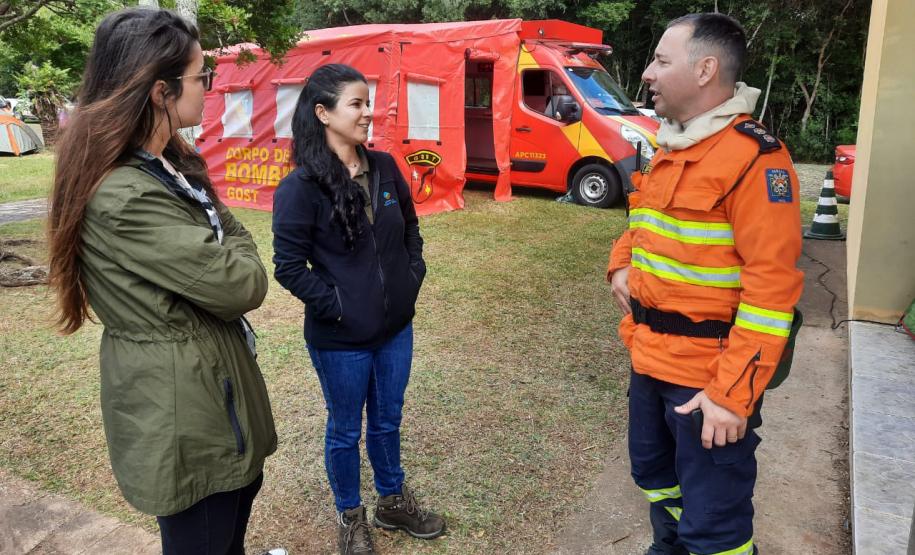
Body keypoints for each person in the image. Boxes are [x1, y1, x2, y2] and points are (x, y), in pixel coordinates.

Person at [47, 8, 283, 555]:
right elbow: (241, 284)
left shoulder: (164, 165)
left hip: (205, 391)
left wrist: (222, 230)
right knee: (205, 535)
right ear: (161, 90)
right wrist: (231, 238)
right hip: (183, 416)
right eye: (203, 75)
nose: (209, 87)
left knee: (230, 529)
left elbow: (220, 233)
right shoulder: (126, 193)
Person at [607, 13, 803, 555]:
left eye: (662, 61)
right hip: (649, 361)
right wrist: (620, 265)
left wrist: (732, 397)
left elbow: (771, 295)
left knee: (714, 525)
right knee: (658, 484)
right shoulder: (674, 143)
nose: (647, 72)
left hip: (708, 382)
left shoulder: (755, 160)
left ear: (705, 70)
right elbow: (642, 220)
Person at [272, 63, 445, 555]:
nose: (369, 113)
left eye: (368, 103)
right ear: (323, 113)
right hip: (341, 339)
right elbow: (288, 266)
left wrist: (412, 277)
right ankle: (351, 517)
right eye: (357, 104)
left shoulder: (385, 167)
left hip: (395, 330)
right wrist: (340, 307)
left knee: (388, 420)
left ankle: (393, 500)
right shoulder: (300, 187)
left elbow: (411, 227)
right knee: (346, 430)